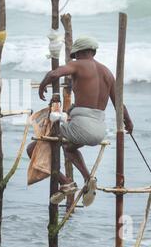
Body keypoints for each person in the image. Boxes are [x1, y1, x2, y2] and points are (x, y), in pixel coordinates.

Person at [27, 37, 134, 207]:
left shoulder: (79, 64)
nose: (75, 59)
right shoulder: (107, 73)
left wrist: (42, 85)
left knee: (32, 148)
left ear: (80, 53)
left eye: (75, 56)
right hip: (99, 130)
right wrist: (128, 122)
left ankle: (66, 182)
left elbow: (55, 73)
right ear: (93, 51)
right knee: (69, 148)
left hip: (81, 126)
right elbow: (119, 104)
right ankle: (88, 178)